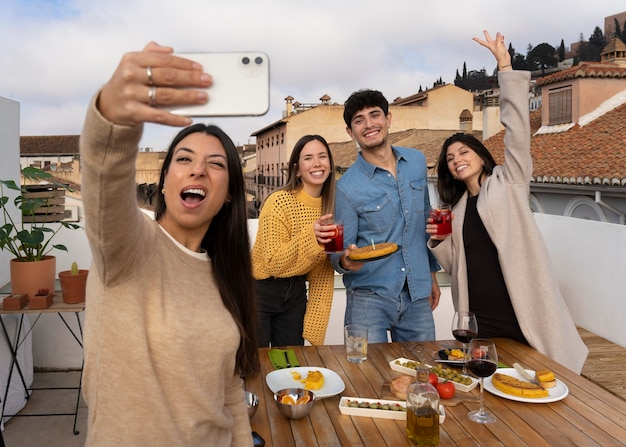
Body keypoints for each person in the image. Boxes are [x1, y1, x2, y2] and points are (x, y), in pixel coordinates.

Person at [80, 42, 259, 446]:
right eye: (183, 159)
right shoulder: (126, 248)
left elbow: (229, 393)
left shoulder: (226, 274)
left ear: (229, 194)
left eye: (216, 165)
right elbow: (104, 176)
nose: (198, 169)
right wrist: (113, 114)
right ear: (164, 180)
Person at [427, 30, 588, 373]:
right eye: (451, 158)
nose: (457, 159)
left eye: (464, 151)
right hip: (480, 320)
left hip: (522, 310)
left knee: (544, 387)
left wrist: (505, 67)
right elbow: (457, 269)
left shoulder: (509, 182)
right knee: (494, 397)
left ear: (482, 157)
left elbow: (518, 133)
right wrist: (439, 241)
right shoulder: (456, 210)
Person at [328, 89, 441, 343]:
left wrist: (431, 275)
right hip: (368, 299)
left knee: (422, 375)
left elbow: (425, 224)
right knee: (365, 377)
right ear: (350, 132)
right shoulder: (346, 187)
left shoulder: (416, 161)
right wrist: (346, 261)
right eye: (358, 120)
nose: (368, 125)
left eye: (374, 115)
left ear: (388, 119)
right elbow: (338, 252)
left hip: (417, 295)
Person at [251, 134, 336, 347]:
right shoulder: (278, 201)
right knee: (255, 366)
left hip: (296, 294)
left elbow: (322, 273)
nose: (317, 163)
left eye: (322, 156)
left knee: (290, 365)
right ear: (297, 169)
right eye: (308, 158)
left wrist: (315, 330)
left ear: (330, 165)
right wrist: (312, 237)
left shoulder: (331, 207)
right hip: (259, 292)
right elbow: (274, 263)